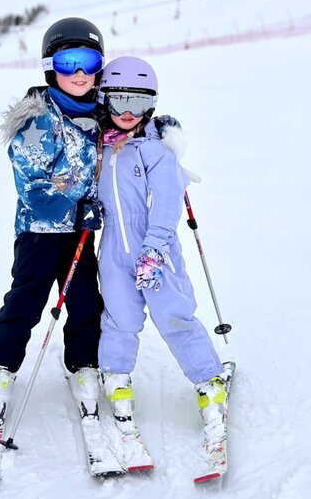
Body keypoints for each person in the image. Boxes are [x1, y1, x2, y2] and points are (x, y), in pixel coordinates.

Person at [93, 56, 227, 469]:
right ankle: (116, 382)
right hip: (113, 245)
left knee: (175, 317)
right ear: (105, 99)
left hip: (156, 249)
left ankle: (210, 384)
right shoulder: (100, 143)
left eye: (138, 100)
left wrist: (154, 249)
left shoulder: (157, 149)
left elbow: (167, 205)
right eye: (119, 100)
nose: (128, 111)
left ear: (152, 103)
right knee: (119, 318)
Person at [0, 17, 106, 442]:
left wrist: (161, 130)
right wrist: (78, 205)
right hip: (40, 234)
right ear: (50, 66)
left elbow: (134, 122)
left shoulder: (101, 115)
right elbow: (34, 187)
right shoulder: (37, 120)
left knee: (87, 302)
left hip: (81, 234)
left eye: (88, 62)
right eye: (68, 62)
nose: (78, 74)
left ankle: (83, 364)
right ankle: (2, 367)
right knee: (26, 300)